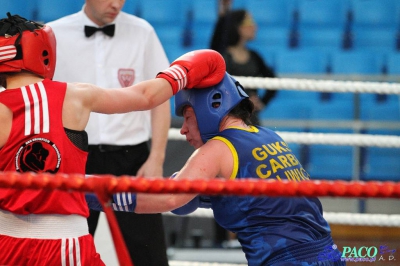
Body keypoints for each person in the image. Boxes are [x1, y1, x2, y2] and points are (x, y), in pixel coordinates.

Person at [0, 12, 226, 265]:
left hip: (6, 244)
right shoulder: (74, 96)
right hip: (67, 245)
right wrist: (184, 72)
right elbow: (145, 97)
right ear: (42, 50)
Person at [87, 73, 345, 265]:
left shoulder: (219, 148)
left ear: (211, 107)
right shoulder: (269, 136)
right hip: (328, 253)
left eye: (187, 117)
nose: (184, 129)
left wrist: (93, 193)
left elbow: (167, 198)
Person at [47, 0, 172, 265]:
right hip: (74, 159)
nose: (116, 4)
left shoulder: (142, 32)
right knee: (65, 252)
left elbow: (162, 97)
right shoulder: (53, 34)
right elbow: (40, 98)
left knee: (149, 255)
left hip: (132, 158)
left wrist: (157, 158)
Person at [210, 9, 277, 126]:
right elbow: (214, 47)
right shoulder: (223, 57)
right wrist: (223, 17)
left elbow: (274, 82)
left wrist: (262, 102)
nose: (255, 27)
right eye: (249, 22)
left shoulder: (254, 56)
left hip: (251, 119)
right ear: (238, 27)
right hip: (227, 118)